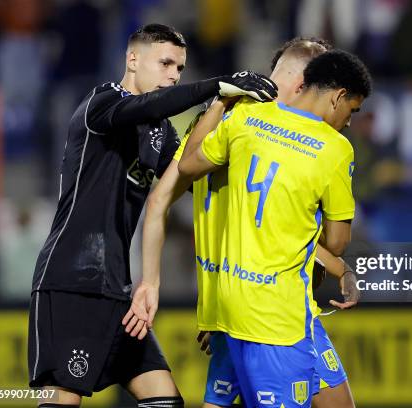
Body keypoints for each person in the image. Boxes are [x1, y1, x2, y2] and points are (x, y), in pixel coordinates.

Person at [28, 23, 277, 408]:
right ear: (132, 59)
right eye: (165, 63)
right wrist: (218, 85)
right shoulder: (102, 102)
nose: (173, 75)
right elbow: (148, 105)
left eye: (179, 68)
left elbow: (191, 171)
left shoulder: (158, 130)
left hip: (118, 289)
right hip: (72, 281)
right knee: (64, 398)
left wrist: (223, 108)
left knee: (164, 399)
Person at [135, 38, 361, 408]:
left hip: (252, 303)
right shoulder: (250, 120)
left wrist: (338, 267)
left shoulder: (226, 115)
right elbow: (164, 200)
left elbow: (164, 199)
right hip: (260, 309)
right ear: (305, 83)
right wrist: (153, 284)